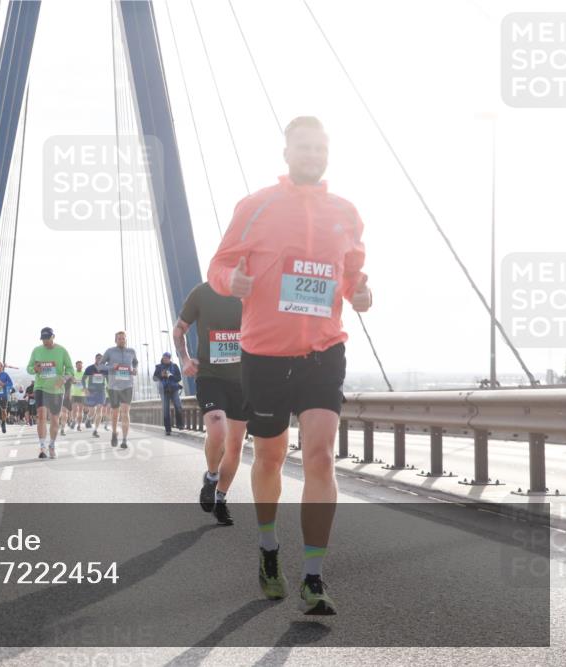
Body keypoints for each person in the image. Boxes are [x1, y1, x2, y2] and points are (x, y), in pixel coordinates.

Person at [207, 116, 372, 615]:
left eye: (319, 148)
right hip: (264, 356)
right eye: (303, 147)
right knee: (273, 459)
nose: (312, 155)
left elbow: (353, 278)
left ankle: (315, 576)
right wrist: (229, 281)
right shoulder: (255, 207)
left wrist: (362, 295)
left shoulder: (346, 213)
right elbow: (218, 266)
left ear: (328, 153)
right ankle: (269, 551)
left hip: (324, 353)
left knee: (321, 457)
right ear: (286, 153)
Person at [174, 281, 248, 529]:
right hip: (209, 375)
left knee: (235, 445)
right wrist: (184, 358)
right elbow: (179, 330)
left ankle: (221, 498)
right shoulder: (202, 292)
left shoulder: (251, 289)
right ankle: (212, 476)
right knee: (217, 430)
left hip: (243, 380)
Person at [26, 327, 74, 458]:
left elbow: (70, 370)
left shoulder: (62, 351)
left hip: (56, 389)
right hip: (40, 386)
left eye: (47, 338)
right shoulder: (36, 350)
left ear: (53, 337)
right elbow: (29, 368)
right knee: (41, 415)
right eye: (43, 339)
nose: (45, 341)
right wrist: (34, 369)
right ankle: (42, 447)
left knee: (54, 418)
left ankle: (52, 445)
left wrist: (63, 379)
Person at [99, 331, 139, 449]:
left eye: (123, 338)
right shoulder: (110, 351)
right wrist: (113, 367)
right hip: (113, 387)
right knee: (115, 413)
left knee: (125, 412)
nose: (122, 340)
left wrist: (135, 369)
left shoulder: (131, 351)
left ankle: (125, 440)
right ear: (115, 340)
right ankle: (114, 432)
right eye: (119, 339)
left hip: (128, 385)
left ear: (126, 339)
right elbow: (100, 366)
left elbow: (135, 363)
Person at [152, 352, 184, 436]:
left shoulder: (175, 366)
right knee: (166, 410)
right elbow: (154, 378)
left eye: (167, 357)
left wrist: (171, 375)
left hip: (174, 389)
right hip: (164, 391)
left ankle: (180, 424)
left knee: (178, 406)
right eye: (164, 357)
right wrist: (161, 375)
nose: (165, 359)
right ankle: (168, 429)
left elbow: (179, 378)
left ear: (170, 358)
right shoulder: (158, 367)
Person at [83, 353, 108, 438]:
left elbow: (108, 380)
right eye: (98, 358)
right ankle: (88, 419)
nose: (100, 360)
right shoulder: (89, 369)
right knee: (92, 411)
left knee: (99, 410)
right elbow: (83, 379)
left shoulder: (105, 369)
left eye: (101, 359)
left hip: (101, 392)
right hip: (91, 392)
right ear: (95, 359)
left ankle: (95, 430)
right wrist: (85, 389)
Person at [0, 361, 15, 433]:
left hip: (4, 395)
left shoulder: (5, 375)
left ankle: (3, 423)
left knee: (4, 411)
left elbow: (11, 383)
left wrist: (3, 384)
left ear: (2, 367)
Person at [69, 360, 87, 430]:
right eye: (78, 365)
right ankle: (73, 421)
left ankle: (79, 425)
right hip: (74, 394)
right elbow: (70, 382)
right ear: (76, 366)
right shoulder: (73, 373)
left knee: (80, 411)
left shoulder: (84, 374)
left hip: (82, 395)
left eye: (81, 365)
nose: (80, 366)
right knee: (74, 410)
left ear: (82, 366)